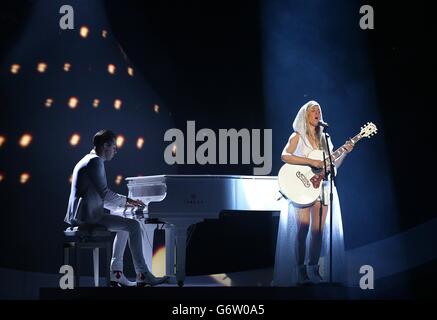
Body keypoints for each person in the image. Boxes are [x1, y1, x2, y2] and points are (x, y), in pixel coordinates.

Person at [64, 129, 168, 287]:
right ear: (105, 145)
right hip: (88, 217)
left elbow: (98, 196)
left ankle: (117, 272)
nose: (115, 151)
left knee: (125, 220)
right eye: (114, 146)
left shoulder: (87, 159)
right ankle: (143, 274)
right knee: (133, 225)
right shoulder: (95, 161)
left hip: (82, 214)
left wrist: (125, 204)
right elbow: (105, 195)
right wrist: (129, 201)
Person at [272, 101, 353, 286]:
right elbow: (285, 155)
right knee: (303, 229)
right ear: (305, 115)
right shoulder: (297, 136)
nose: (317, 112)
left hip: (322, 187)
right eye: (313, 110)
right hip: (302, 186)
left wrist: (345, 153)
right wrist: (312, 162)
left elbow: (332, 166)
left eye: (319, 110)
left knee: (318, 231)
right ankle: (300, 270)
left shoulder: (326, 139)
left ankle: (313, 269)